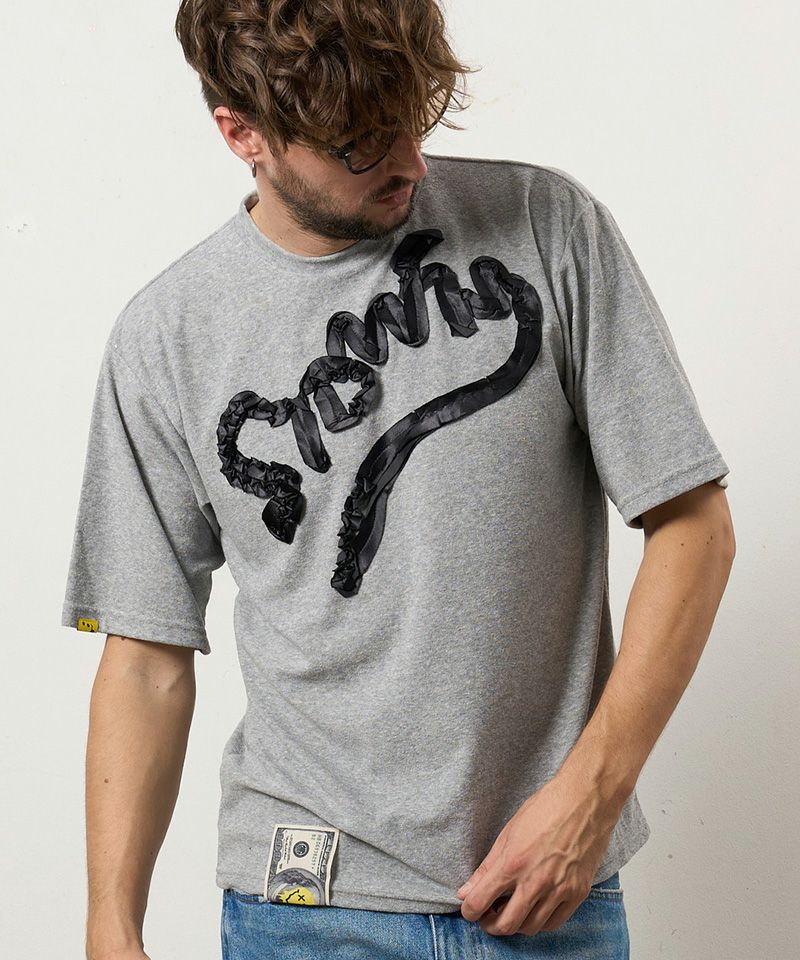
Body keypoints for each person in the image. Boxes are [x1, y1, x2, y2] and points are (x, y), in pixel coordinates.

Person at [61, 1, 735, 958]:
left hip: (549, 897)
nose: (413, 164)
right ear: (242, 134)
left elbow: (694, 526)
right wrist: (110, 928)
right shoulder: (167, 337)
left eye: (415, 120)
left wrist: (591, 795)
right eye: (361, 146)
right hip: (301, 907)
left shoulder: (546, 225)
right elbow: (144, 658)